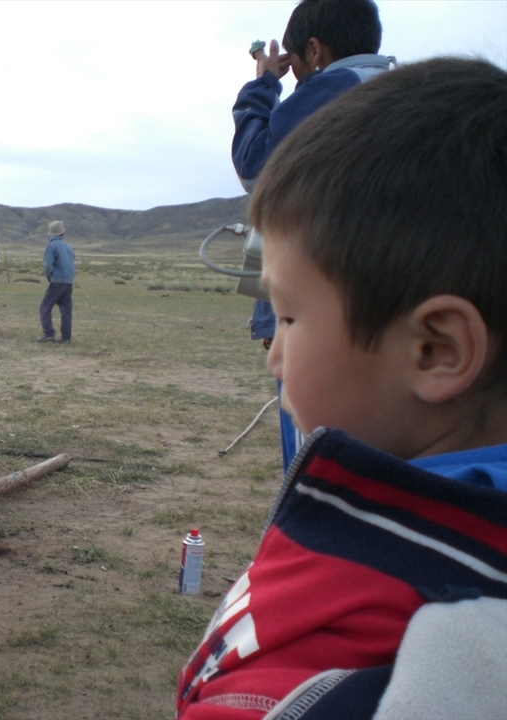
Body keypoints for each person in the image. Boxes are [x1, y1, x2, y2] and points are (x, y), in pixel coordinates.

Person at [177, 58, 506, 719]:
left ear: (434, 351)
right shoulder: (397, 522)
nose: (274, 355)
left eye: (291, 317)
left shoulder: (447, 651)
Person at [233, 0, 393, 472]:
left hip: (330, 311)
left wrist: (264, 86)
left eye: (299, 64)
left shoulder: (335, 89)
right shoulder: (396, 91)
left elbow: (255, 167)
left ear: (316, 49)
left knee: (316, 456)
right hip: (388, 305)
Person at [37, 220, 75, 343]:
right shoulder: (68, 247)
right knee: (66, 309)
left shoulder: (52, 246)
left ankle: (48, 333)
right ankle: (66, 337)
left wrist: (48, 275)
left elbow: (48, 265)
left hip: (57, 280)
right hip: (68, 281)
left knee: (45, 306)